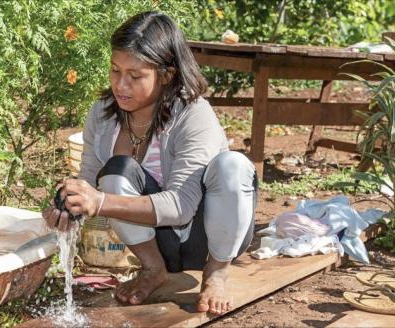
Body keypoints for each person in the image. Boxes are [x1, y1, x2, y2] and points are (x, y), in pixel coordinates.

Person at [42, 11, 257, 315]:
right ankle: (153, 269)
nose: (121, 85)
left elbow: (182, 206)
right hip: (159, 244)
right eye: (115, 71)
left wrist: (100, 201)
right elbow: (89, 181)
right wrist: (68, 207)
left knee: (232, 166)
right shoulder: (103, 114)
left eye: (135, 75)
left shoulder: (194, 114)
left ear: (165, 75)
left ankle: (217, 273)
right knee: (116, 170)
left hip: (208, 237)